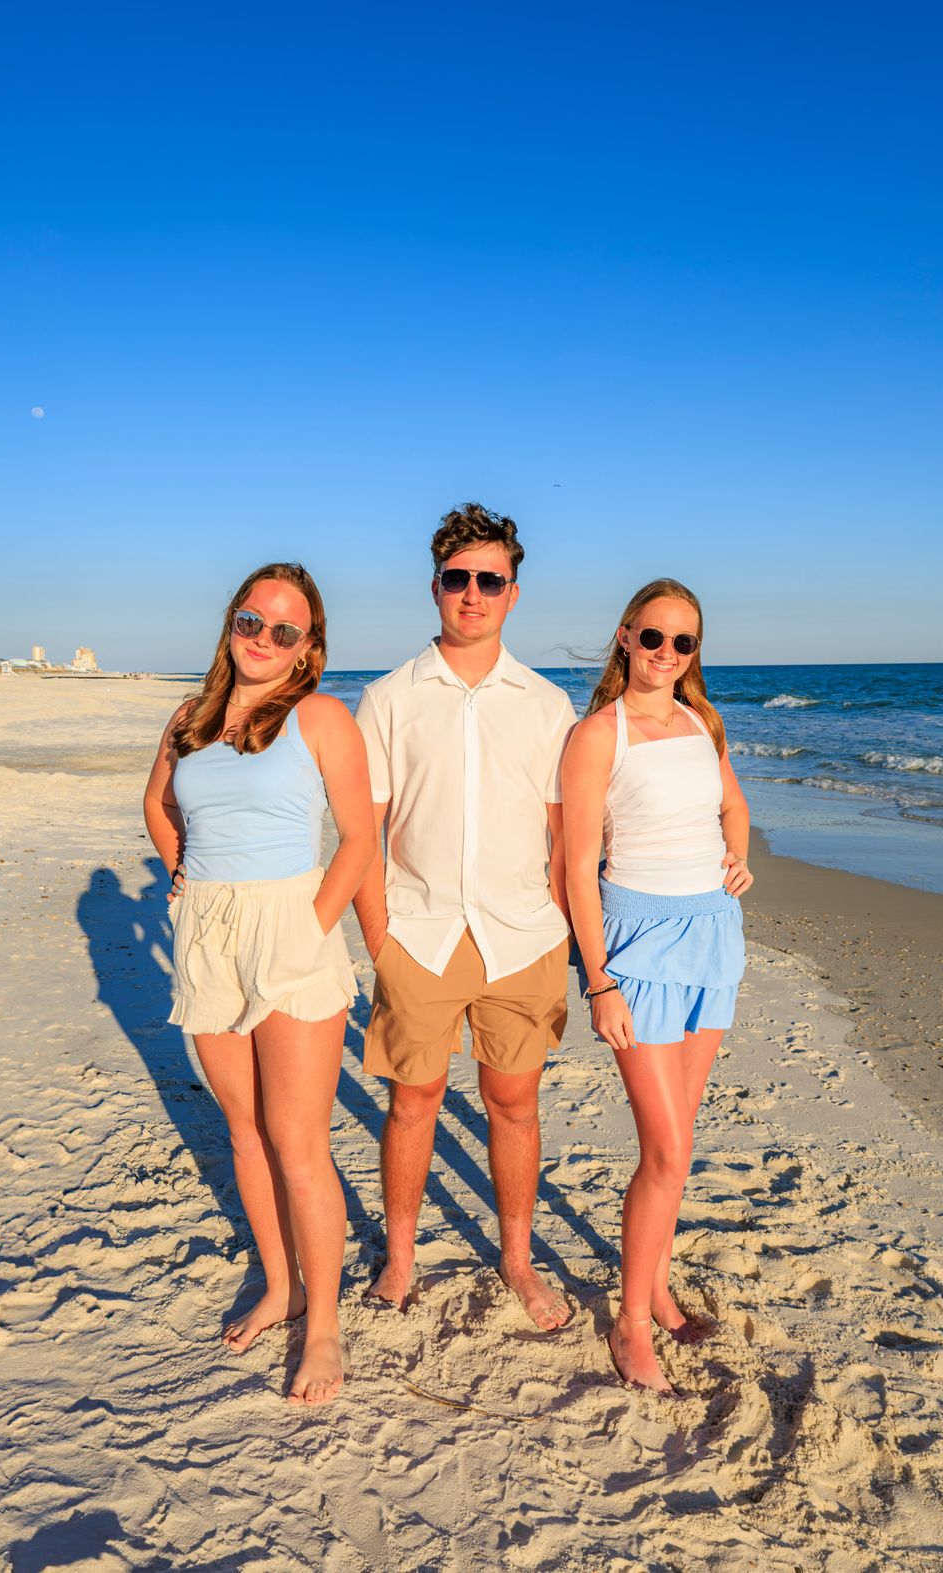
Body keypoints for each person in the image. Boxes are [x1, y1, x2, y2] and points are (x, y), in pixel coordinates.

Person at [142, 563, 374, 1405]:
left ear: (309, 647)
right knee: (244, 1129)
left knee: (298, 1140)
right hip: (205, 929)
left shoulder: (320, 717)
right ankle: (280, 1286)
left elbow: (358, 838)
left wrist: (308, 929)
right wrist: (181, 877)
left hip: (292, 927)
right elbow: (158, 804)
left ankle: (325, 1326)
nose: (264, 641)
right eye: (252, 621)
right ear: (231, 622)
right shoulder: (190, 717)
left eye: (285, 631)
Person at [353, 503, 577, 1328]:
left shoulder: (549, 706)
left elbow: (565, 837)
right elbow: (362, 833)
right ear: (436, 588)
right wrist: (382, 939)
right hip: (419, 933)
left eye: (490, 580)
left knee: (514, 1103)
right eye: (458, 579)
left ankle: (517, 1259)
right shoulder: (387, 699)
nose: (473, 594)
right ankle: (401, 1259)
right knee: (412, 1102)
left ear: (513, 593)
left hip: (522, 937)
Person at [561, 578, 752, 1395]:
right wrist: (600, 980)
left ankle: (658, 1287)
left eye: (683, 643)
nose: (666, 655)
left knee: (678, 1148)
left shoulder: (704, 721)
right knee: (668, 1151)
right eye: (653, 638)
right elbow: (573, 867)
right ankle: (632, 1324)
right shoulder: (597, 734)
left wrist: (739, 859)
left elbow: (733, 808)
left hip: (711, 935)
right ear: (625, 636)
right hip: (636, 948)